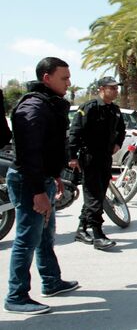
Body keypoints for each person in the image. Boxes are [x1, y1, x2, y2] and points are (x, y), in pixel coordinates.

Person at [4, 57, 79, 314]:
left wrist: (54, 175)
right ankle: (16, 296)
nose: (69, 83)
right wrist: (37, 191)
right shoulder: (33, 108)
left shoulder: (49, 105)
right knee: (27, 239)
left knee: (45, 235)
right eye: (64, 78)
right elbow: (29, 155)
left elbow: (49, 148)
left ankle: (51, 281)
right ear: (46, 78)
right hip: (29, 181)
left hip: (42, 178)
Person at [68, 76, 125, 250]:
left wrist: (117, 144)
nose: (116, 91)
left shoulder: (114, 110)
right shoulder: (89, 108)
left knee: (98, 194)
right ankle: (98, 234)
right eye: (112, 88)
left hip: (105, 158)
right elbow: (75, 133)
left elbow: (121, 130)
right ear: (101, 89)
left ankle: (81, 228)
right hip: (90, 158)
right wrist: (72, 156)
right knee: (93, 195)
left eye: (116, 88)